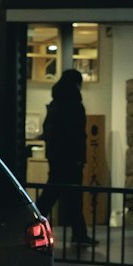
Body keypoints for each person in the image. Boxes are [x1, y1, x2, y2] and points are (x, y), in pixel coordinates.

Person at [37, 68, 93, 246]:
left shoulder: (55, 104)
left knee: (50, 195)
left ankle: (32, 224)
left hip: (56, 158)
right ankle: (79, 234)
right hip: (71, 160)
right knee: (72, 197)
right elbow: (77, 135)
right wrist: (79, 158)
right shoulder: (75, 105)